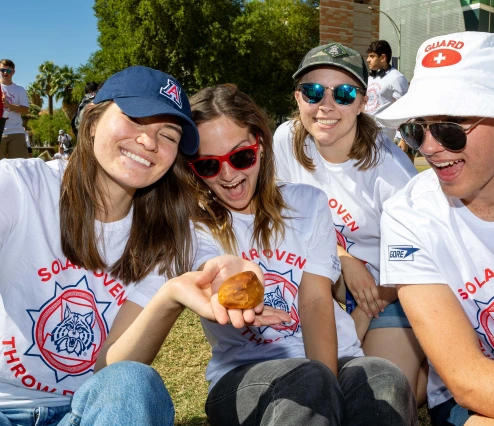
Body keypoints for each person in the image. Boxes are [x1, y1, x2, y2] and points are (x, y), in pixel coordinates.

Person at [0, 65, 285, 426]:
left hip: (85, 412)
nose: (149, 142)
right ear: (91, 122)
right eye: (134, 119)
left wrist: (171, 295)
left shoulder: (167, 236)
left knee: (134, 383)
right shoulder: (20, 188)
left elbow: (110, 370)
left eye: (167, 134)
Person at [187, 83, 417, 426]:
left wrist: (328, 387)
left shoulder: (308, 203)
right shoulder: (192, 223)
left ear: (260, 146)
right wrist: (228, 275)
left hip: (334, 361)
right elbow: (211, 270)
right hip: (245, 372)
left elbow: (314, 302)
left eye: (241, 156)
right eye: (208, 165)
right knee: (308, 383)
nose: (228, 174)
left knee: (385, 379)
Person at [377, 31, 494, 426]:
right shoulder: (409, 215)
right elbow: (467, 377)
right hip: (478, 405)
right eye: (417, 129)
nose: (428, 147)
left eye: (449, 128)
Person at [272, 42, 426, 407]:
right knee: (326, 388)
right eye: (313, 91)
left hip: (392, 285)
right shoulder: (285, 142)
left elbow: (420, 257)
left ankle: (436, 370)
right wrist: (342, 256)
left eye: (343, 93)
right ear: (298, 98)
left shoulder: (388, 169)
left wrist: (363, 312)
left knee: (377, 396)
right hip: (324, 280)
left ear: (362, 102)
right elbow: (283, 218)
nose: (326, 106)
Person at [365, 40, 409, 142]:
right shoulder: (370, 77)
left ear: (383, 58)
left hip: (384, 132)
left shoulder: (396, 78)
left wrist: (402, 137)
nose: (367, 60)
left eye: (372, 56)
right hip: (367, 130)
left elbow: (404, 108)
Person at [0, 59, 30, 159]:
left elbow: (25, 110)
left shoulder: (19, 89)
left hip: (16, 132)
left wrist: (9, 105)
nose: (5, 73)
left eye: (8, 70)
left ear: (13, 72)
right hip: (1, 131)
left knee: (20, 167)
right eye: (2, 70)